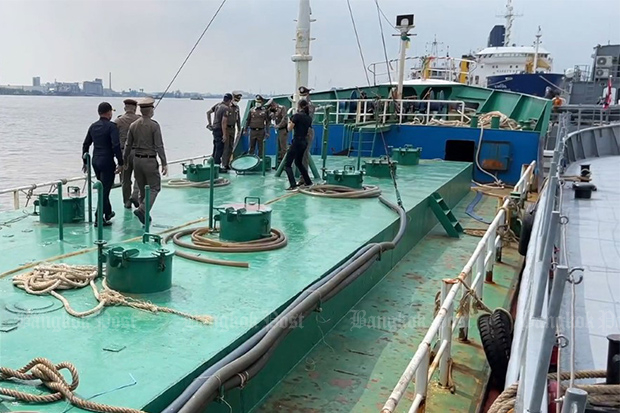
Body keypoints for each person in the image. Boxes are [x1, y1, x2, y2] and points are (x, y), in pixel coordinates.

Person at [124, 98, 168, 225]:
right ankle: (142, 209)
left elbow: (128, 145)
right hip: (149, 160)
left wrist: (125, 160)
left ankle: (144, 214)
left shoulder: (133, 125)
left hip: (136, 160)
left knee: (143, 189)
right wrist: (164, 162)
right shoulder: (154, 125)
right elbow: (159, 145)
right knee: (155, 187)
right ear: (151, 110)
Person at [82, 102, 123, 226]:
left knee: (103, 188)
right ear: (109, 112)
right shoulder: (112, 127)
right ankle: (98, 218)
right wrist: (121, 162)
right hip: (107, 161)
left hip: (95, 161)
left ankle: (108, 212)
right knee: (105, 190)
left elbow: (86, 144)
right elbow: (116, 145)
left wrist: (85, 162)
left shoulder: (93, 126)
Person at [113, 98, 140, 208]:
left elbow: (114, 140)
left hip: (124, 153)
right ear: (135, 108)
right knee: (139, 177)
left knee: (125, 179)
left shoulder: (118, 121)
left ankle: (127, 202)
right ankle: (135, 194)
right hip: (138, 153)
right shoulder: (140, 120)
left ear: (125, 108)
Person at [284, 99, 313, 190]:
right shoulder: (308, 118)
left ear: (299, 106)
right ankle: (308, 181)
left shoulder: (296, 116)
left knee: (287, 164)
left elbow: (289, 128)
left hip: (297, 141)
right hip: (304, 142)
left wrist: (289, 121)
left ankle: (292, 184)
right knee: (298, 162)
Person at [221, 91, 242, 171]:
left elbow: (238, 119)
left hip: (233, 129)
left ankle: (228, 163)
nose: (237, 101)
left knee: (231, 147)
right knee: (225, 147)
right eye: (236, 99)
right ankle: (224, 164)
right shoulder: (227, 107)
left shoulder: (237, 108)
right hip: (227, 129)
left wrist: (239, 129)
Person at [298, 87, 316, 177]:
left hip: (307, 131)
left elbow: (307, 119)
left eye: (304, 95)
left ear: (308, 94)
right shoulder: (300, 104)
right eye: (301, 95)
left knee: (304, 155)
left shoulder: (309, 106)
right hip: (300, 132)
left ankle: (304, 177)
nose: (302, 97)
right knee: (300, 154)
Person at [211, 93, 232, 169]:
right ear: (229, 100)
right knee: (219, 148)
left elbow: (208, 112)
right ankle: (217, 166)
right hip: (220, 129)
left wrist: (210, 124)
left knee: (215, 147)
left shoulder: (217, 105)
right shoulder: (225, 108)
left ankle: (212, 164)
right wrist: (224, 134)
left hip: (215, 128)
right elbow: (224, 122)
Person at [268, 98, 288, 165]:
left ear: (273, 104)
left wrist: (278, 125)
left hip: (282, 129)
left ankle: (285, 164)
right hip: (278, 130)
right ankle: (279, 164)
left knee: (283, 148)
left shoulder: (282, 108)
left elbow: (284, 119)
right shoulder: (273, 110)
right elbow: (274, 119)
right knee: (279, 148)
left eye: (271, 106)